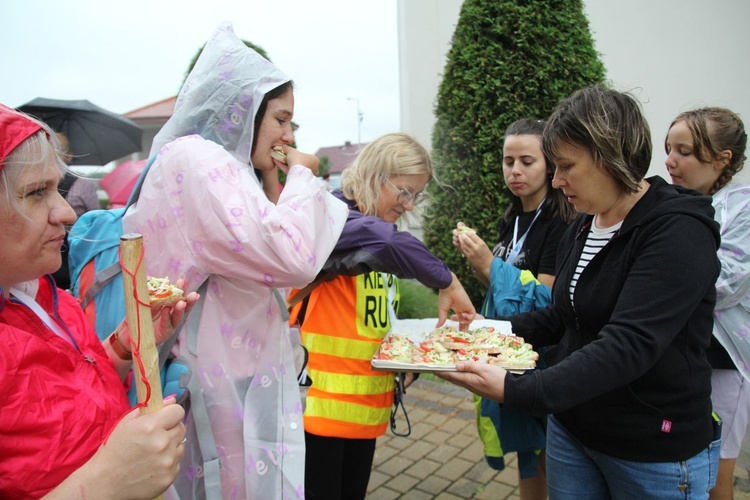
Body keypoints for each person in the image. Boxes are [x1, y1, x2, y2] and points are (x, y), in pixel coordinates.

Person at [437, 86, 722, 498]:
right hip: (573, 430)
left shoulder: (677, 232)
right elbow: (562, 314)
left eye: (566, 166)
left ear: (611, 158)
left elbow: (630, 343)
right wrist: (490, 328)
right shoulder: (585, 222)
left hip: (649, 449)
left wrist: (520, 389)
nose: (556, 180)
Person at [121, 23, 349, 499]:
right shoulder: (200, 161)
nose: (289, 134)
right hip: (210, 377)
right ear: (245, 110)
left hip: (219, 367)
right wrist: (305, 177)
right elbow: (291, 256)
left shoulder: (214, 162)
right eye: (282, 119)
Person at [0, 105, 198, 498]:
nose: (67, 212)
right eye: (36, 192)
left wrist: (123, 346)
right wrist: (106, 481)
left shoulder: (40, 294)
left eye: (57, 188)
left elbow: (55, 390)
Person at [287, 132, 476, 499]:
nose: (409, 205)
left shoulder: (375, 230)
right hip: (318, 411)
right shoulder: (333, 217)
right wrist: (447, 281)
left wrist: (403, 357)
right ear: (375, 175)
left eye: (416, 195)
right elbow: (385, 241)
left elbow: (374, 315)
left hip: (364, 409)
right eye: (404, 191)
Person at [453, 118, 577, 499]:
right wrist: (482, 315)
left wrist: (489, 265)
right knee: (527, 454)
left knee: (544, 456)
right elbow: (505, 288)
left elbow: (546, 300)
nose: (516, 171)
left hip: (542, 357)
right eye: (509, 161)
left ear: (550, 165)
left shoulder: (561, 222)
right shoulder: (513, 217)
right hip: (510, 347)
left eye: (527, 160)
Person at [665, 107, 749, 500]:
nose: (669, 160)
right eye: (669, 148)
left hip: (723, 361)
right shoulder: (672, 202)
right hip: (679, 358)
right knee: (683, 469)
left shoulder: (743, 208)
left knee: (716, 478)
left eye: (685, 151)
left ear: (722, 159)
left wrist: (662, 270)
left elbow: (730, 280)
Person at [52, 132, 100, 290]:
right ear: (70, 156)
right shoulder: (83, 183)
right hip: (77, 253)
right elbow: (96, 222)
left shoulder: (33, 183)